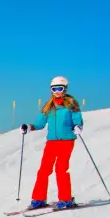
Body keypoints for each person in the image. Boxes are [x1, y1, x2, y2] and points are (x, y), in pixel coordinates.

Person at [21, 76, 84, 210]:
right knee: (44, 170)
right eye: (54, 89)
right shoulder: (48, 106)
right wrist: (29, 126)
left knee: (61, 169)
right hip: (52, 142)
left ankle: (66, 199)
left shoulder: (71, 104)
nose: (57, 91)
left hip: (66, 141)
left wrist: (78, 126)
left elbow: (77, 119)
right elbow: (40, 123)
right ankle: (38, 198)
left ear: (65, 89)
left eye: (59, 88)